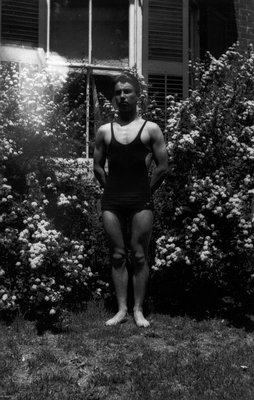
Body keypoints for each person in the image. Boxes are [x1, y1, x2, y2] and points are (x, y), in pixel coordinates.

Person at [93, 72, 168, 327]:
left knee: (138, 255)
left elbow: (162, 167)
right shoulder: (105, 131)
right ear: (114, 98)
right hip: (112, 200)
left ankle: (138, 310)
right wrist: (110, 190)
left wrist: (145, 191)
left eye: (127, 91)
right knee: (116, 255)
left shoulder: (151, 129)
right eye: (118, 93)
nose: (122, 96)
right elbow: (98, 167)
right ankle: (121, 310)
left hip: (141, 200)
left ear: (137, 95)